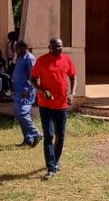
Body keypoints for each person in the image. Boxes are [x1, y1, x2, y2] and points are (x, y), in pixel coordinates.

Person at [30, 37, 76, 181]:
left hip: (62, 105)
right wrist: (43, 91)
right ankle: (51, 167)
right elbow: (33, 79)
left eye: (60, 46)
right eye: (55, 46)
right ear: (49, 47)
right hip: (46, 105)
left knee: (60, 135)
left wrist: (72, 92)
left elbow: (73, 76)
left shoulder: (67, 60)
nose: (58, 49)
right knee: (49, 135)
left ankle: (55, 161)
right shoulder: (42, 61)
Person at [12, 40, 41, 147]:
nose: (15, 50)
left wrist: (28, 90)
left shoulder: (29, 58)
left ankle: (36, 133)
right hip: (19, 89)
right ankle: (28, 139)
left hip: (26, 91)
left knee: (21, 113)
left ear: (24, 48)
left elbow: (33, 76)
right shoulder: (20, 58)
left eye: (17, 48)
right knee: (20, 114)